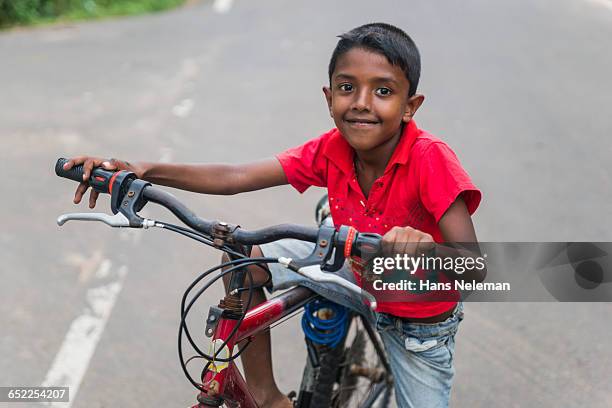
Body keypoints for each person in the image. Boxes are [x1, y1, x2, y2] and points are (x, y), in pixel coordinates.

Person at [63, 22, 482, 408]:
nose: (361, 104)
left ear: (411, 106)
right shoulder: (331, 148)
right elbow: (236, 175)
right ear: (328, 96)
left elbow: (473, 266)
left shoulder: (430, 159)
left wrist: (425, 249)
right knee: (242, 260)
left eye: (383, 91)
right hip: (350, 262)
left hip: (415, 318)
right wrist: (144, 170)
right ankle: (266, 396)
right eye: (346, 87)